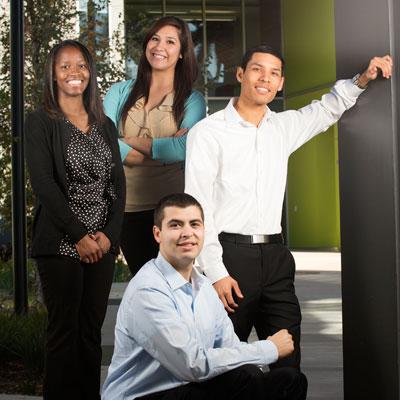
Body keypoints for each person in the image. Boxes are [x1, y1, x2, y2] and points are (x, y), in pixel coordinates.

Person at [185, 45, 393, 369]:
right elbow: (197, 209)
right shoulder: (208, 133)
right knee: (223, 366)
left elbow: (327, 109)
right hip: (229, 258)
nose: (264, 78)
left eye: (274, 73)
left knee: (288, 361)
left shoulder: (283, 128)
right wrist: (215, 273)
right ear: (241, 74)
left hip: (276, 259)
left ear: (280, 83)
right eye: (257, 69)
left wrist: (364, 78)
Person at [102, 193, 307, 400]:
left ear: (203, 231)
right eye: (175, 225)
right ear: (158, 234)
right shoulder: (148, 290)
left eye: (194, 224)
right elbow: (192, 365)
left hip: (187, 387)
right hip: (145, 395)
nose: (187, 233)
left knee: (289, 380)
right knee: (246, 379)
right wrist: (268, 349)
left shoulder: (205, 287)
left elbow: (231, 349)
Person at [25, 40, 125, 400]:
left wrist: (108, 238)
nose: (74, 72)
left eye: (81, 65)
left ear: (90, 72)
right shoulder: (40, 122)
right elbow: (44, 186)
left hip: (100, 244)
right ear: (53, 73)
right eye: (65, 66)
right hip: (61, 242)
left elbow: (118, 185)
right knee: (63, 335)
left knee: (90, 334)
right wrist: (80, 234)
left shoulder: (105, 125)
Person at [104, 16, 206, 276]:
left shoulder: (192, 100)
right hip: (125, 206)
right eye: (155, 38)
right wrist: (163, 153)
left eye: (170, 41)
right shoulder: (118, 93)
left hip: (172, 211)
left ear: (182, 52)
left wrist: (127, 142)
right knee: (144, 282)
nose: (160, 46)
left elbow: (185, 148)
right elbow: (103, 142)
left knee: (175, 284)